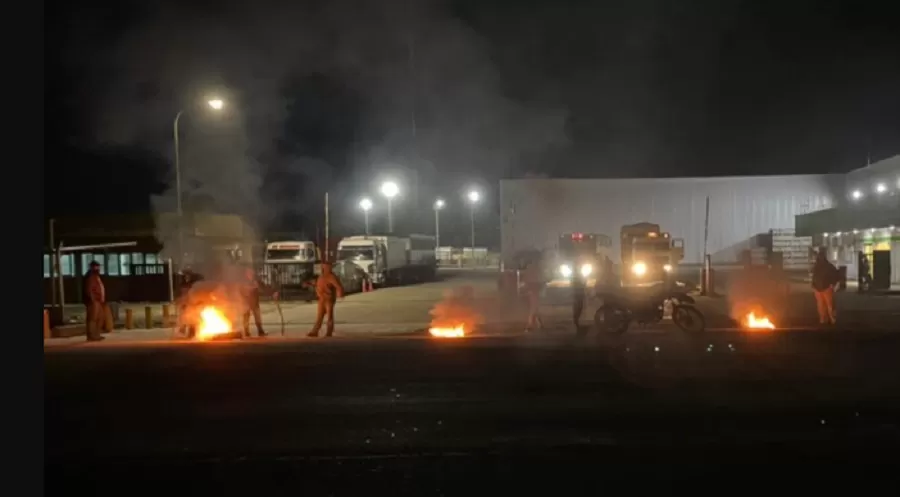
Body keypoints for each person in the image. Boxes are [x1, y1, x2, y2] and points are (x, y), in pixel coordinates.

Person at [306, 261, 344, 337]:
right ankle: (315, 331)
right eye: (323, 266)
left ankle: (329, 332)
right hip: (321, 299)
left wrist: (340, 293)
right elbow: (318, 285)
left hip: (328, 299)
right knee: (319, 316)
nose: (323, 268)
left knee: (329, 316)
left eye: (325, 266)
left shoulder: (331, 276)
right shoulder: (321, 276)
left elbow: (338, 286)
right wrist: (310, 284)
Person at [240, 267, 278, 338]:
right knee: (246, 316)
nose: (250, 273)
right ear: (246, 273)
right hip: (246, 302)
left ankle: (260, 331)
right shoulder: (243, 281)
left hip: (254, 301)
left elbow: (264, 287)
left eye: (251, 272)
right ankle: (246, 332)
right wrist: (247, 293)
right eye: (249, 272)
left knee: (257, 317)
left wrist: (273, 292)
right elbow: (241, 290)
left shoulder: (256, 281)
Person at [811, 250, 839, 326]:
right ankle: (827, 319)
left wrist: (832, 284)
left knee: (826, 305)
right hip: (821, 288)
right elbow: (814, 277)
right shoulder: (826, 266)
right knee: (825, 305)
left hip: (823, 288)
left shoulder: (822, 266)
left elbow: (814, 276)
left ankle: (827, 319)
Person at [81, 261, 106, 342]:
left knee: (100, 317)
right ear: (92, 267)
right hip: (94, 301)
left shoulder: (96, 276)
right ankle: (91, 335)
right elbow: (89, 289)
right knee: (92, 318)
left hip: (98, 300)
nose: (98, 268)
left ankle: (96, 334)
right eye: (96, 267)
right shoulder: (90, 276)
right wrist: (92, 299)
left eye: (98, 267)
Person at [521, 260, 545, 332]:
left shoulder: (530, 269)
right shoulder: (537, 269)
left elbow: (525, 280)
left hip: (532, 290)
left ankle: (533, 324)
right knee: (534, 307)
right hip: (535, 290)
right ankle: (533, 324)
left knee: (534, 307)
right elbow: (542, 280)